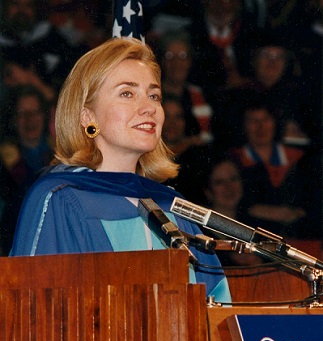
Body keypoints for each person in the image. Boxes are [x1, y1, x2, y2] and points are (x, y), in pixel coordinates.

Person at [10, 37, 231, 302]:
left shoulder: (173, 208)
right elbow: (38, 316)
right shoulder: (61, 200)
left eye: (154, 95)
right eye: (127, 93)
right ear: (86, 115)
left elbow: (217, 306)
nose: (149, 107)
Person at [229, 100, 307, 239]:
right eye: (253, 121)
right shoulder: (233, 160)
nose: (261, 127)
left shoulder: (298, 158)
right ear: (243, 126)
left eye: (266, 120)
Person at [202, 155, 265, 266]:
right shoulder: (199, 230)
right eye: (219, 182)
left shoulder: (255, 225)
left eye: (233, 179)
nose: (229, 187)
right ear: (208, 192)